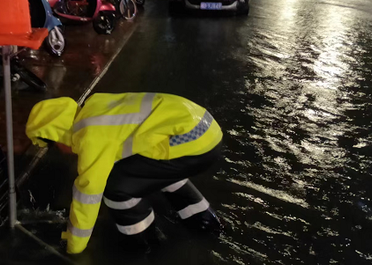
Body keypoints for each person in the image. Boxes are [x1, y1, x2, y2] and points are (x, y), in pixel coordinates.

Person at [25, 93, 224, 254]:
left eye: (51, 144)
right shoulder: (95, 106)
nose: (60, 150)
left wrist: (73, 245)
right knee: (146, 168)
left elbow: (89, 193)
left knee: (115, 185)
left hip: (194, 146)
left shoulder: (90, 136)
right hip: (206, 130)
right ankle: (204, 222)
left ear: (56, 134)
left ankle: (145, 243)